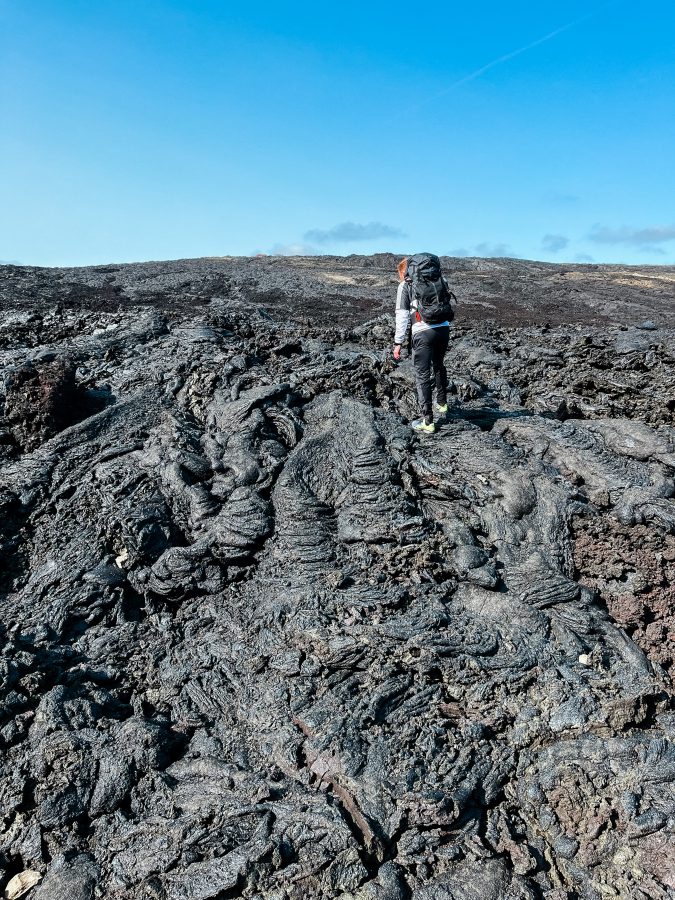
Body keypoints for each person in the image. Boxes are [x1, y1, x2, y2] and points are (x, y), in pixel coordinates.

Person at [393, 254, 452, 434]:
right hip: (443, 329)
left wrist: (398, 342)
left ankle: (428, 422)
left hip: (422, 332)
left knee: (422, 375)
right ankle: (442, 403)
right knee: (439, 365)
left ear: (405, 271)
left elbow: (402, 316)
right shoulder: (440, 279)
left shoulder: (405, 285)